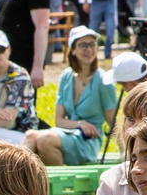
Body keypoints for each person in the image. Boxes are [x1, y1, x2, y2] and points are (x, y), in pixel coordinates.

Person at [32, 27, 117, 167]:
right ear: (72, 50)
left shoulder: (103, 80)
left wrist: (126, 153)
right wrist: (80, 124)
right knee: (30, 135)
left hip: (89, 140)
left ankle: (54, 185)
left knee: (45, 140)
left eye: (92, 44)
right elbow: (58, 120)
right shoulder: (66, 76)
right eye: (83, 45)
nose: (89, 49)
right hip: (68, 133)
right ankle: (19, 184)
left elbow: (112, 121)